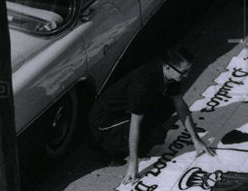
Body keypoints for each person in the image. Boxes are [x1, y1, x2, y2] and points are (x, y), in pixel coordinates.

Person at [88, 49, 214, 183]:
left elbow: (181, 106)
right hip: (105, 122)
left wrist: (196, 139)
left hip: (125, 111)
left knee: (168, 105)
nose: (187, 75)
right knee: (156, 134)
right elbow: (135, 125)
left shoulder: (170, 75)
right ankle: (113, 149)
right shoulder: (142, 85)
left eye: (188, 70)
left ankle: (134, 141)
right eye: (184, 72)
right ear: (167, 67)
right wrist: (133, 163)